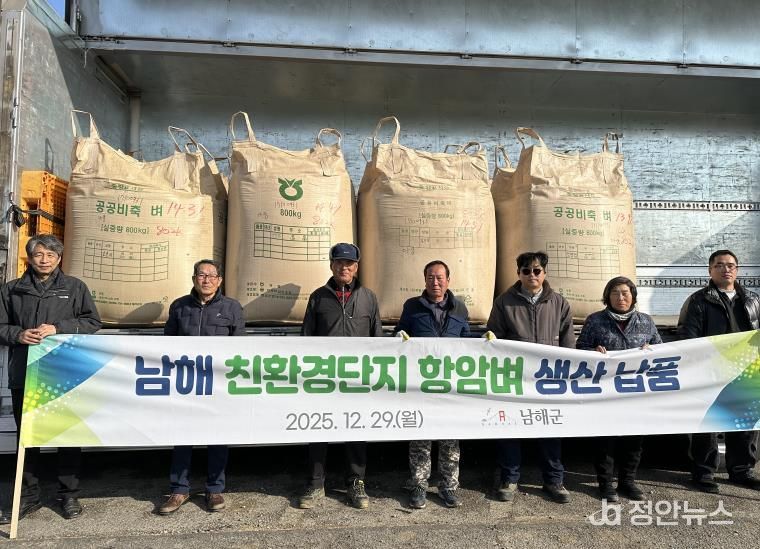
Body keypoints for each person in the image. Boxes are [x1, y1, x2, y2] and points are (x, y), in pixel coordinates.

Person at [0, 235, 101, 522]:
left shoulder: (74, 287)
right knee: (28, 437)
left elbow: (92, 322)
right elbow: (1, 325)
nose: (44, 260)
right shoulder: (12, 290)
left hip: (63, 372)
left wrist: (58, 328)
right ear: (29, 258)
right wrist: (18, 334)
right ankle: (27, 497)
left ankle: (68, 495)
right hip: (25, 372)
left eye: (50, 255)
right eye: (39, 254)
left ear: (59, 258)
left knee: (67, 435)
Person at [297, 243, 382, 510]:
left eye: (349, 263)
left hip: (357, 379)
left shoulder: (368, 298)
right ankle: (315, 483)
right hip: (323, 377)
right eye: (339, 262)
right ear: (331, 265)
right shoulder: (318, 297)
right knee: (318, 428)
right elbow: (306, 338)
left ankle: (356, 482)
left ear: (356, 267)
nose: (344, 267)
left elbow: (377, 340)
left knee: (356, 429)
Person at [158, 259, 245, 515]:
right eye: (201, 275)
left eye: (211, 275)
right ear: (194, 278)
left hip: (217, 385)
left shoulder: (232, 307)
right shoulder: (179, 306)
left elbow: (240, 346)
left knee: (217, 436)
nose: (206, 280)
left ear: (219, 280)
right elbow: (167, 345)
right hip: (186, 384)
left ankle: (214, 489)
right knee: (182, 437)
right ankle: (179, 489)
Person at [486, 251, 574, 504]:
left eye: (537, 270)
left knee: (550, 429)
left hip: (548, 379)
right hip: (515, 377)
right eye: (526, 271)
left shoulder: (559, 303)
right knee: (510, 428)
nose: (532, 275)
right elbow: (494, 337)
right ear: (519, 274)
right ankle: (509, 478)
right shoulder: (504, 302)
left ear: (544, 273)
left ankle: (554, 480)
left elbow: (568, 341)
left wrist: (567, 373)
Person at [678, 249, 760, 494]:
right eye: (720, 265)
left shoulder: (753, 300)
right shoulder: (698, 300)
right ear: (710, 270)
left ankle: (742, 470)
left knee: (744, 421)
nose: (726, 269)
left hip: (746, 368)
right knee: (708, 422)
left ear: (737, 270)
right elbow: (687, 336)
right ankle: (703, 472)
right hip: (711, 370)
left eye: (731, 265)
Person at [576, 276, 662, 502]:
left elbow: (661, 350)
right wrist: (594, 352)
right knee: (605, 440)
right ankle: (605, 484)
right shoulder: (595, 320)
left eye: (625, 293)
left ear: (633, 296)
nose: (620, 297)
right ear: (607, 297)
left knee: (634, 440)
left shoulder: (646, 321)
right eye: (615, 293)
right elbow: (580, 348)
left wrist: (651, 350)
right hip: (606, 393)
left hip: (635, 392)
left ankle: (628, 482)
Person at [394, 260, 470, 509]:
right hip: (421, 384)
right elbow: (400, 333)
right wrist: (399, 336)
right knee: (420, 436)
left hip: (450, 384)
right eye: (430, 278)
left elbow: (467, 343)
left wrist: (485, 343)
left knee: (450, 439)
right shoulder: (412, 306)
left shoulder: (460, 308)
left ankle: (449, 487)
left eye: (439, 277)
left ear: (448, 280)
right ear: (424, 280)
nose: (435, 282)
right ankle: (419, 485)